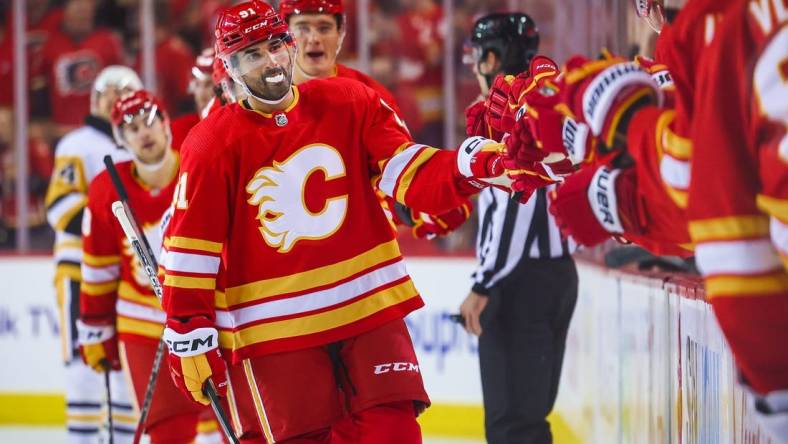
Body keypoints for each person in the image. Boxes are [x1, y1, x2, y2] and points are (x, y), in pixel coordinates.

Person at [158, 2, 533, 443]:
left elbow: (408, 172)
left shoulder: (352, 102)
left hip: (368, 311)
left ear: (290, 45)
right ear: (231, 68)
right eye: (254, 54)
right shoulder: (211, 144)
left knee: (394, 433)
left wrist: (470, 167)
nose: (271, 62)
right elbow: (191, 250)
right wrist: (189, 327)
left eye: (277, 46)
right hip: (278, 331)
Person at [458, 13, 578, 444]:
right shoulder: (546, 100)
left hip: (518, 281)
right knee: (529, 418)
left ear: (491, 58)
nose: (472, 66)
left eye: (476, 56)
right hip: (556, 274)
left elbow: (518, 200)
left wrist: (484, 282)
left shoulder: (508, 111)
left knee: (513, 425)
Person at [76, 90, 208, 444]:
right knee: (168, 431)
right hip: (143, 322)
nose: (143, 133)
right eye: (131, 128)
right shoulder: (108, 189)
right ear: (121, 139)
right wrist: (96, 325)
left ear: (167, 124)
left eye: (149, 121)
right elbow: (99, 267)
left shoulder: (200, 167)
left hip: (207, 316)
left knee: (227, 423)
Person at [279, 0, 471, 241]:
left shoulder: (370, 96)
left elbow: (398, 170)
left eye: (324, 28)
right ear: (285, 36)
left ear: (341, 33)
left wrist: (413, 207)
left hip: (355, 249)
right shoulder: (263, 99)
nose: (314, 38)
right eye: (303, 28)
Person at [45, 64, 141, 444]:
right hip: (81, 271)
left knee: (121, 372)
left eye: (125, 91)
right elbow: (61, 210)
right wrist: (113, 227)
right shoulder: (77, 144)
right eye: (110, 92)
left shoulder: (138, 145)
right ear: (96, 99)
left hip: (125, 274)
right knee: (85, 368)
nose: (117, 98)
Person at [36, 0, 125, 136]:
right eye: (77, 12)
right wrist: (48, 127)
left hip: (102, 130)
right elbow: (38, 88)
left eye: (85, 13)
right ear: (64, 14)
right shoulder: (51, 45)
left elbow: (122, 85)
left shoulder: (108, 41)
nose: (81, 17)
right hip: (63, 131)